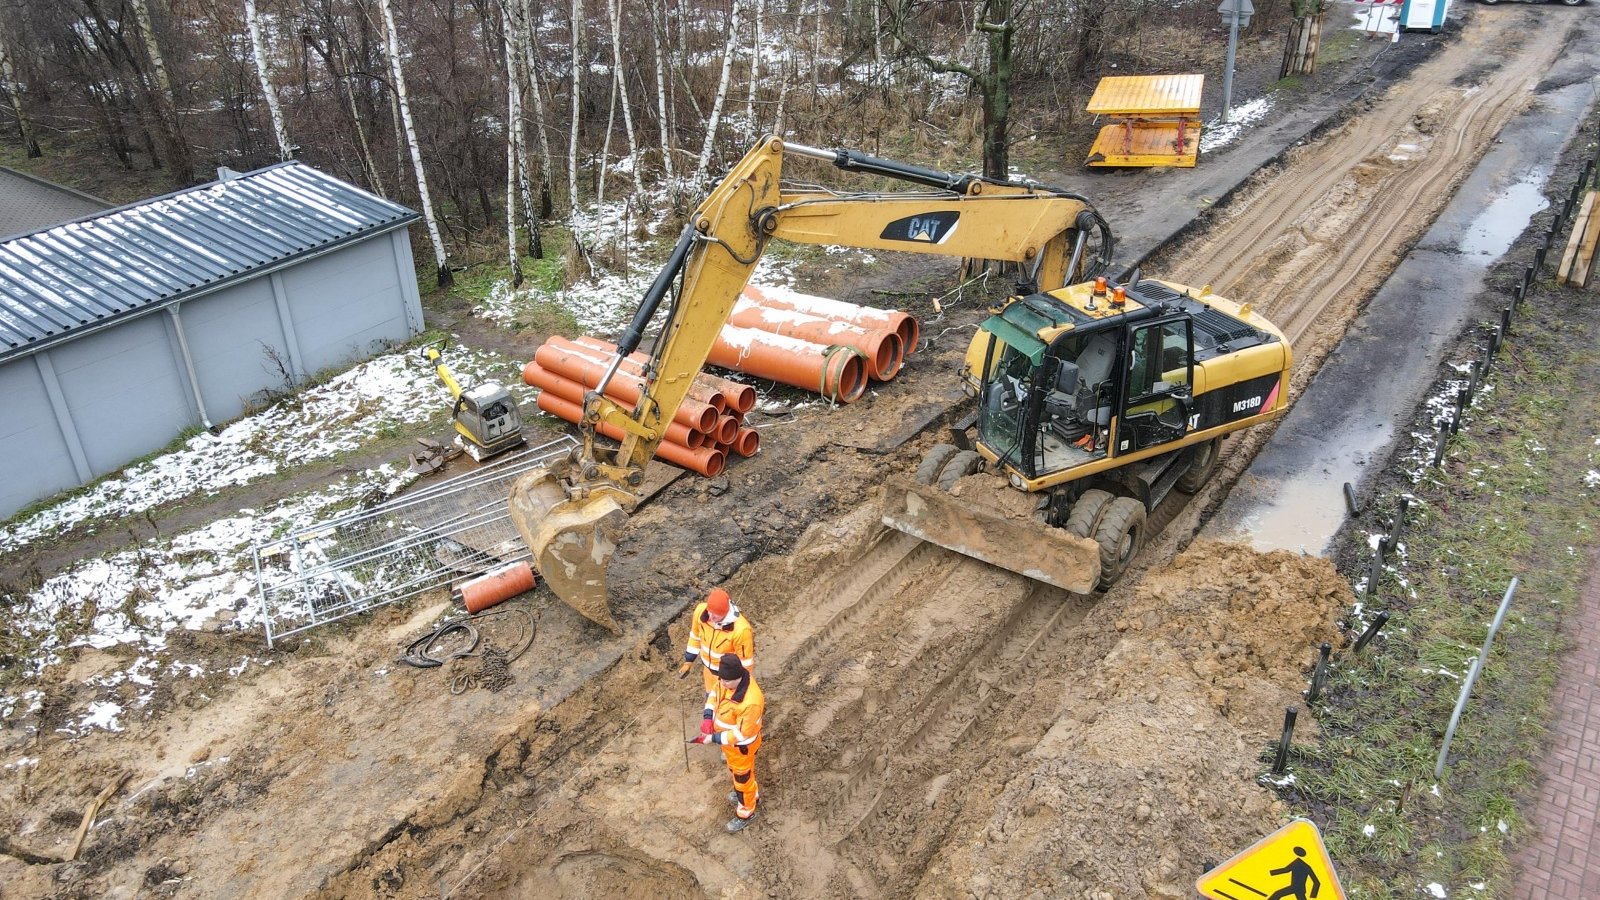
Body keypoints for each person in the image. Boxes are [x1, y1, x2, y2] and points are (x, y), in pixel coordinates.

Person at [688, 655, 765, 832]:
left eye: (725, 681)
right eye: (720, 679)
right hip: (730, 747)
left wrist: (713, 738)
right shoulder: (726, 681)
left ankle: (746, 813)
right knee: (736, 773)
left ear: (737, 678)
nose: (721, 683)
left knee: (742, 780)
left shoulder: (751, 702)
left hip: (741, 748)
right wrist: (708, 717)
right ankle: (751, 796)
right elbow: (714, 694)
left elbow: (741, 733)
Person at [678, 587, 754, 707]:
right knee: (711, 700)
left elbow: (746, 663)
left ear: (725, 613)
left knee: (724, 706)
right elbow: (695, 637)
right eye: (710, 611)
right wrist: (688, 661)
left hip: (726, 679)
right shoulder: (700, 612)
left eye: (717, 615)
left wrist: (740, 687)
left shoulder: (741, 631)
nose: (711, 617)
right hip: (708, 672)